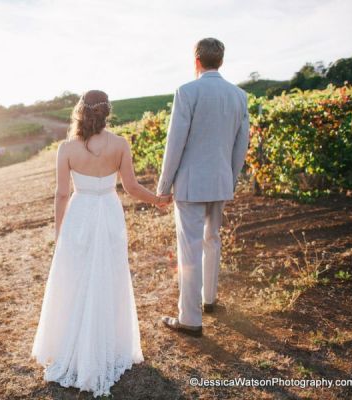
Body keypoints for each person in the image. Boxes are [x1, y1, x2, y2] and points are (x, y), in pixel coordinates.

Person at [31, 90, 171, 397]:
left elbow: (62, 194)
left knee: (77, 278)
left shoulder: (66, 148)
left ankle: (76, 345)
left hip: (79, 215)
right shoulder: (120, 144)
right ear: (107, 113)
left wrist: (60, 232)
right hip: (107, 212)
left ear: (80, 112)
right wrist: (157, 200)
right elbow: (131, 187)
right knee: (108, 277)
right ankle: (106, 343)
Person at [157, 38, 250, 337]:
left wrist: (164, 185)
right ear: (220, 61)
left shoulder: (187, 92)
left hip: (191, 184)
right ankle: (209, 300)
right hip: (221, 180)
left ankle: (190, 319)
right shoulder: (239, 96)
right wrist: (230, 179)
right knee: (213, 240)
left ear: (196, 60)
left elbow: (175, 143)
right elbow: (241, 145)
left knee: (190, 249)